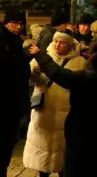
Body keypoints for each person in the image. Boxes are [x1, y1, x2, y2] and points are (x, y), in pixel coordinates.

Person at [28, 37, 97, 177]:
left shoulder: (89, 76)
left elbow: (60, 75)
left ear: (93, 56)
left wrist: (39, 55)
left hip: (83, 133)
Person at [24, 31, 87, 176]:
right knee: (42, 152)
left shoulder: (80, 62)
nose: (58, 45)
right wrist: (34, 72)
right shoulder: (44, 57)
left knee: (62, 154)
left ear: (70, 44)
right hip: (44, 111)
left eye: (62, 42)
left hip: (66, 112)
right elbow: (29, 80)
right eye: (56, 41)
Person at [0, 8, 33, 173]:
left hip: (13, 106)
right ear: (6, 23)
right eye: (15, 23)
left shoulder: (16, 43)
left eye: (21, 24)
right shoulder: (4, 43)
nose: (18, 27)